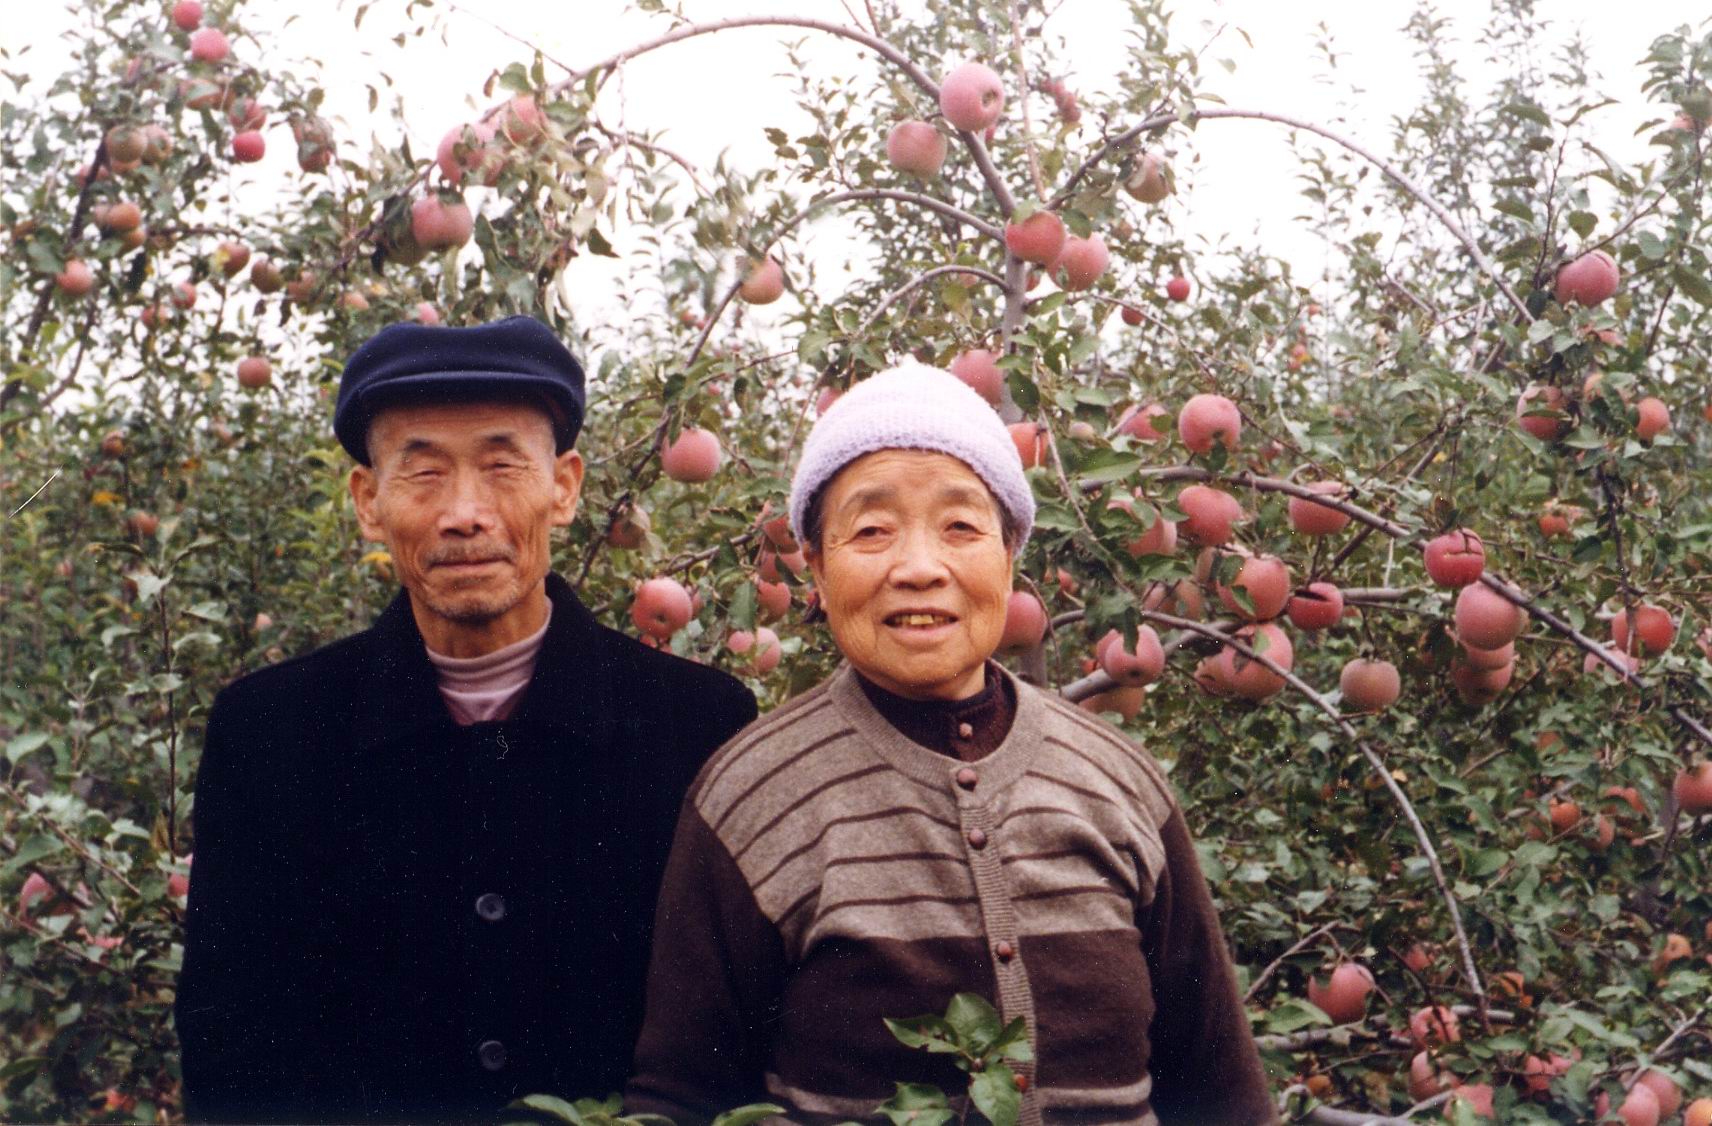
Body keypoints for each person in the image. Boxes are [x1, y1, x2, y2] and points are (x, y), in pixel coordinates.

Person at [627, 364, 1274, 1125]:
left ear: (1010, 556)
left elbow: (1221, 1090)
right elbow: (682, 1100)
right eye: (871, 531)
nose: (919, 568)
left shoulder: (1117, 782)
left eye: (961, 527)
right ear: (819, 568)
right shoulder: (751, 797)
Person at [175, 316, 758, 1124]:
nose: (465, 513)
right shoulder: (272, 733)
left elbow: (732, 1043)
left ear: (564, 485)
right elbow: (232, 1052)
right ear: (368, 501)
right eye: (422, 474)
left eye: (500, 466)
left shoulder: (697, 724)